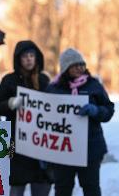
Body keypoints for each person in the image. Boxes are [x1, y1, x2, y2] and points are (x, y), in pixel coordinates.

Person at [46, 48, 114, 196]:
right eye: (75, 65)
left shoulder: (94, 85)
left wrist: (96, 111)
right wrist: (45, 151)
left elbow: (109, 110)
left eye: (82, 65)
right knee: (62, 189)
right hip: (62, 150)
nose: (80, 68)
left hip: (90, 149)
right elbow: (44, 116)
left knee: (91, 189)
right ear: (65, 68)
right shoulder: (53, 88)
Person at [0, 40, 52, 196]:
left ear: (37, 58)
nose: (29, 59)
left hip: (41, 141)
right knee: (16, 184)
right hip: (16, 142)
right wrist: (10, 103)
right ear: (18, 59)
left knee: (42, 184)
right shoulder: (9, 80)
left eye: (32, 56)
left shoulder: (43, 80)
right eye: (25, 56)